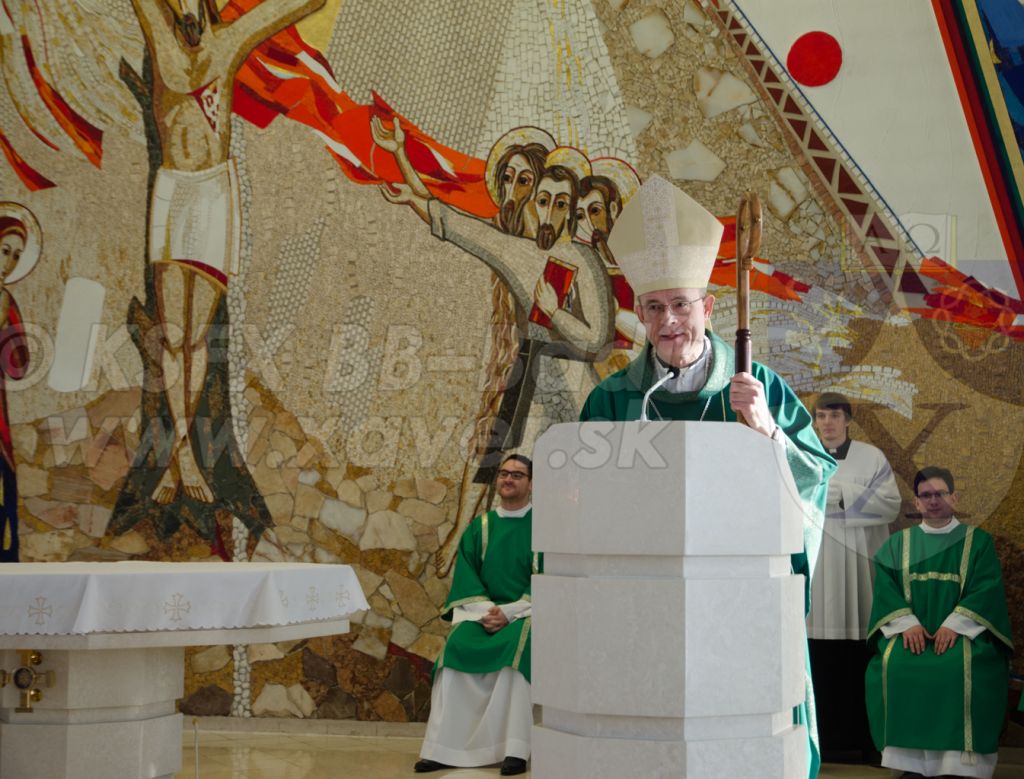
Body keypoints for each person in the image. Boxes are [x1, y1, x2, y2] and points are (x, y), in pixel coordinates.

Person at [578, 174, 836, 778]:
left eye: (682, 305)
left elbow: (815, 482)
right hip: (643, 602)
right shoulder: (612, 400)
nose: (670, 322)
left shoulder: (761, 388)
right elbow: (583, 508)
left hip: (739, 596)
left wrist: (769, 431)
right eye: (655, 307)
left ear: (709, 308)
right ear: (639, 315)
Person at [130, 0, 325, 505]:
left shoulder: (229, 43)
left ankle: (183, 451)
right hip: (175, 192)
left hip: (216, 195)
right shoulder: (162, 39)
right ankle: (182, 453)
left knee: (196, 338)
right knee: (173, 335)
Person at [865, 466, 1012, 779]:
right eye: (926, 496)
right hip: (911, 636)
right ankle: (911, 765)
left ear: (954, 498)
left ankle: (960, 766)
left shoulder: (978, 542)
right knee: (897, 666)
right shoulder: (897, 545)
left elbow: (985, 589)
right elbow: (886, 591)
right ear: (917, 504)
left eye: (940, 494)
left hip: (963, 637)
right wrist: (908, 625)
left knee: (959, 668)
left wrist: (954, 626)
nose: (933, 501)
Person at [415, 454, 540, 776]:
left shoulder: (544, 526)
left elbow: (545, 579)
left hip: (526, 614)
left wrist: (509, 613)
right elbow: (467, 577)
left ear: (531, 483)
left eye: (517, 474)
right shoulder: (480, 527)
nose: (508, 479)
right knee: (454, 651)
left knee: (515, 653)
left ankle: (514, 749)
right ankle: (442, 748)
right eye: (503, 473)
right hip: (483, 612)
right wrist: (487, 612)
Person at [807, 391, 900, 762]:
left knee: (858, 658)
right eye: (821, 416)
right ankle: (821, 742)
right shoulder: (802, 451)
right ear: (814, 421)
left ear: (848, 420)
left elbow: (890, 505)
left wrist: (838, 494)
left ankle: (864, 741)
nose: (827, 423)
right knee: (818, 658)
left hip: (859, 569)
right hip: (817, 567)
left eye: (835, 416)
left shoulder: (870, 457)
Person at [0, 204, 36, 562]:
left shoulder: (5, 301)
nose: (9, 263)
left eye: (16, 256)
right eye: (5, 251)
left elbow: (17, 367)